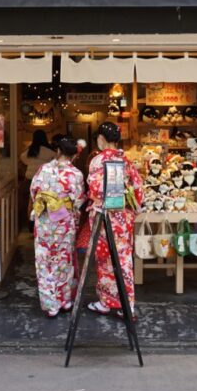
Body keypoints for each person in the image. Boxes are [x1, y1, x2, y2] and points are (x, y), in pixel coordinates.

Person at [86, 122, 143, 318]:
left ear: (101, 138)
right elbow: (138, 190)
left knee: (104, 259)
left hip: (104, 217)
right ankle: (128, 306)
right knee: (124, 259)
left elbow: (95, 189)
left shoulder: (97, 160)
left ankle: (106, 302)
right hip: (123, 218)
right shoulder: (126, 160)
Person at [30, 137, 85, 317]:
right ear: (73, 154)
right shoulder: (76, 174)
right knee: (64, 260)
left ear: (58, 151)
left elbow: (34, 192)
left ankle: (50, 304)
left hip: (46, 221)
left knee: (45, 261)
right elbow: (78, 201)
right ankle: (65, 300)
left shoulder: (44, 170)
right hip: (65, 223)